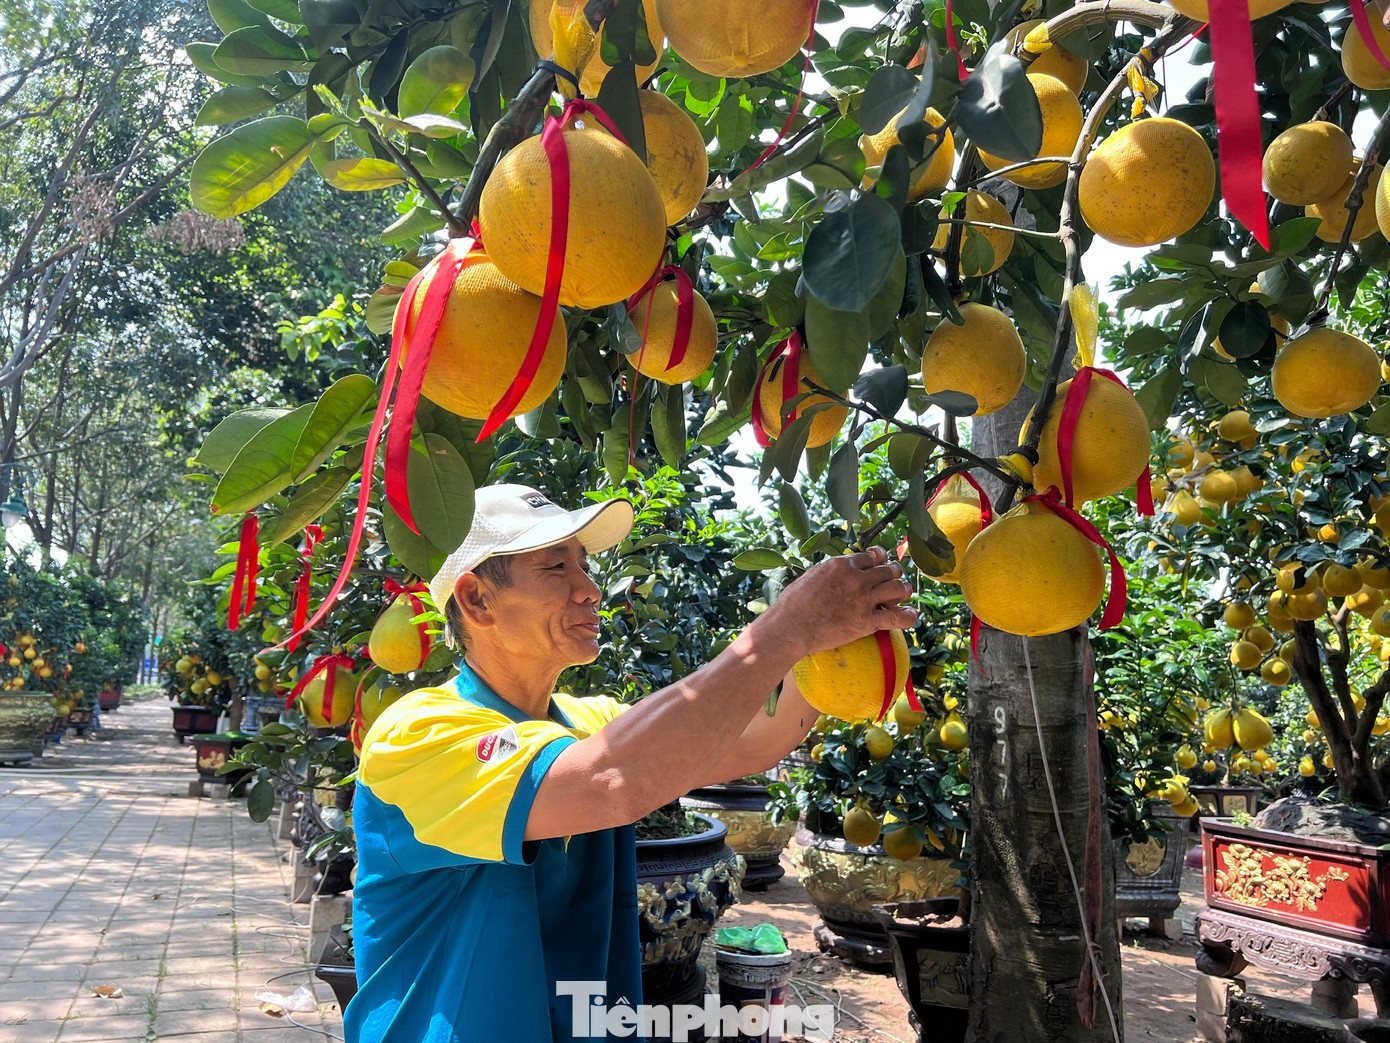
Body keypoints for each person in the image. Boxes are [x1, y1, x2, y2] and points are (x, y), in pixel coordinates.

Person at [345, 484, 916, 1042]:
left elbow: (753, 742)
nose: (589, 588)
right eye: (556, 568)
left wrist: (833, 636)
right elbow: (609, 781)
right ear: (476, 599)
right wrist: (787, 627)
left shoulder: (584, 722)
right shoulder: (418, 732)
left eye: (584, 565)